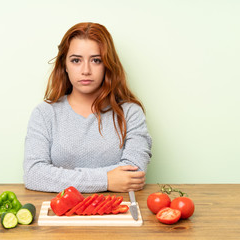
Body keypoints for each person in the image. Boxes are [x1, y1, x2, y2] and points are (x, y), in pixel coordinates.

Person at [23, 22, 152, 193]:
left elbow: (133, 174)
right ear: (65, 65)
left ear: (107, 64)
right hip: (60, 213)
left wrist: (59, 177)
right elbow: (34, 175)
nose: (86, 70)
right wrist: (106, 180)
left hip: (117, 211)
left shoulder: (130, 113)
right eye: (76, 60)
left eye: (96, 60)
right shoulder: (45, 113)